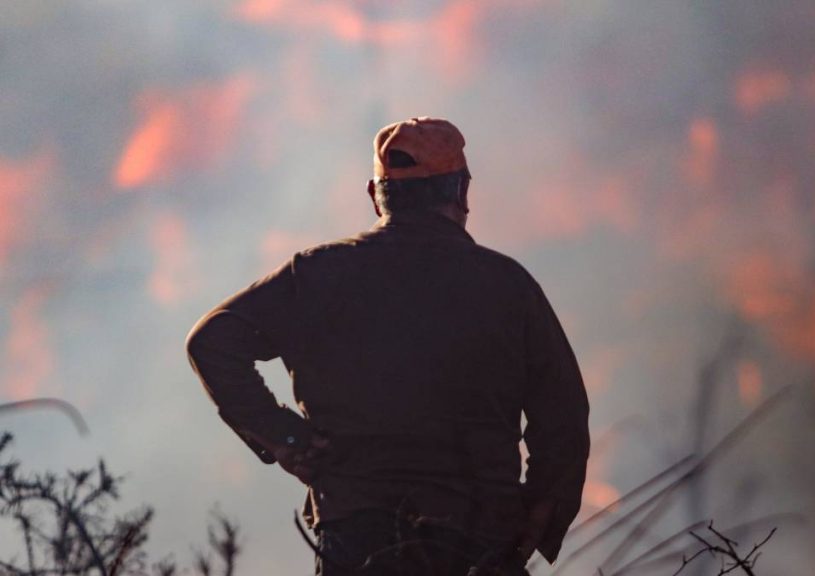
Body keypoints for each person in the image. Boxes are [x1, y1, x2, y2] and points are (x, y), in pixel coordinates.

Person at [186, 117, 590, 575]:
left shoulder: (317, 276)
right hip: (479, 537)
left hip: (355, 537)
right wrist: (541, 510)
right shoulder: (507, 286)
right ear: (461, 192)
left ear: (374, 194)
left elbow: (213, 341)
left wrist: (284, 435)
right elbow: (564, 416)